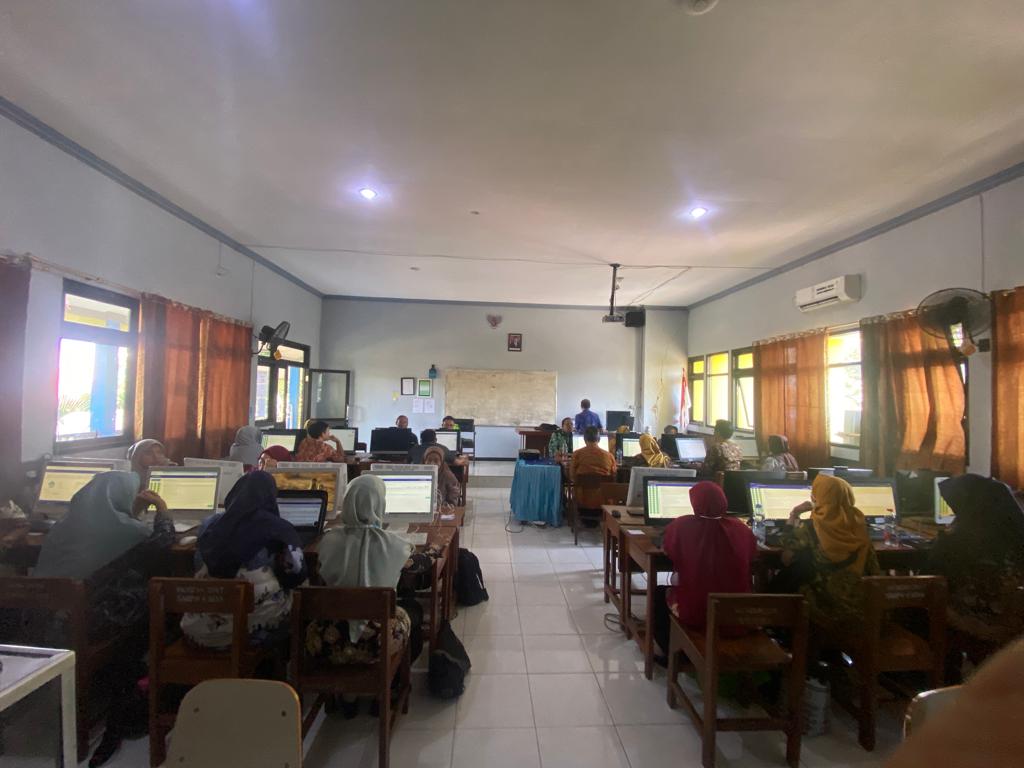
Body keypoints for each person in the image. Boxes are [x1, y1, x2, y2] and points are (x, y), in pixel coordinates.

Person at [34, 472, 176, 766]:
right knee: (151, 601)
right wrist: (162, 511)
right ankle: (135, 680)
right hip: (85, 625)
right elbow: (162, 542)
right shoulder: (128, 531)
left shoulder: (61, 527)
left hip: (40, 623)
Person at [312, 475, 423, 676]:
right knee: (413, 609)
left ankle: (340, 688)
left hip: (328, 640)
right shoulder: (395, 545)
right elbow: (416, 563)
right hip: (376, 642)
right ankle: (395, 679)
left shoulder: (327, 541)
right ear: (380, 503)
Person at [182, 472, 307, 648]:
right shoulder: (277, 528)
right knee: (299, 591)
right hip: (247, 631)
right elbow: (296, 573)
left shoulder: (209, 524)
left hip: (198, 629)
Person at [927, 474, 1024, 668]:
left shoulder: (956, 541)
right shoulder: (1017, 535)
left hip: (973, 620)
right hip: (1013, 622)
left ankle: (936, 672)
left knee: (915, 604)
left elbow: (930, 577)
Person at [654, 481, 758, 652]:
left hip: (696, 613)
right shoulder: (741, 528)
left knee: (659, 592)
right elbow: (753, 553)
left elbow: (667, 550)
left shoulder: (681, 525)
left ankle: (671, 652)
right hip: (737, 614)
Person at [774, 474, 879, 632]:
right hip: (860, 611)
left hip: (822, 611)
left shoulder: (810, 528)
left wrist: (794, 514)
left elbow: (786, 558)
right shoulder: (860, 527)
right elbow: (874, 571)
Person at [570, 426, 617, 508]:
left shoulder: (577, 454)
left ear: (584, 440)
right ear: (599, 440)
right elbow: (613, 476)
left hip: (582, 499)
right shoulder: (609, 456)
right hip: (604, 500)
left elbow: (572, 476)